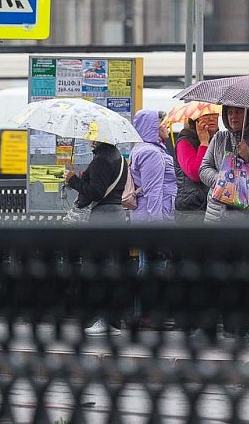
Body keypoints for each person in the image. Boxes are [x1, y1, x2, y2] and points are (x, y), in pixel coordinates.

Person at [64, 139, 128, 336]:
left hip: (102, 218)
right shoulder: (118, 156)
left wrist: (73, 180)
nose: (90, 140)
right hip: (115, 215)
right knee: (111, 269)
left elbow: (96, 192)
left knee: (98, 269)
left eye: (93, 136)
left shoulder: (102, 159)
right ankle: (114, 321)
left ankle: (103, 319)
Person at [200, 106, 249, 223]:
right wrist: (222, 181)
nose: (233, 116)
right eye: (230, 112)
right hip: (218, 215)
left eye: (239, 112)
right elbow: (204, 168)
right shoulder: (219, 138)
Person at [129, 110, 177, 223]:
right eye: (165, 124)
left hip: (145, 212)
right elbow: (153, 190)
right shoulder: (151, 153)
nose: (168, 128)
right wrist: (156, 223)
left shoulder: (142, 148)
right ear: (154, 127)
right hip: (155, 215)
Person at [174, 113, 219, 224]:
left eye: (215, 115)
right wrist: (204, 143)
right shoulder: (184, 141)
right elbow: (196, 173)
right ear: (195, 120)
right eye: (206, 115)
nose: (212, 118)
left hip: (215, 206)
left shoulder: (219, 140)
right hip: (193, 209)